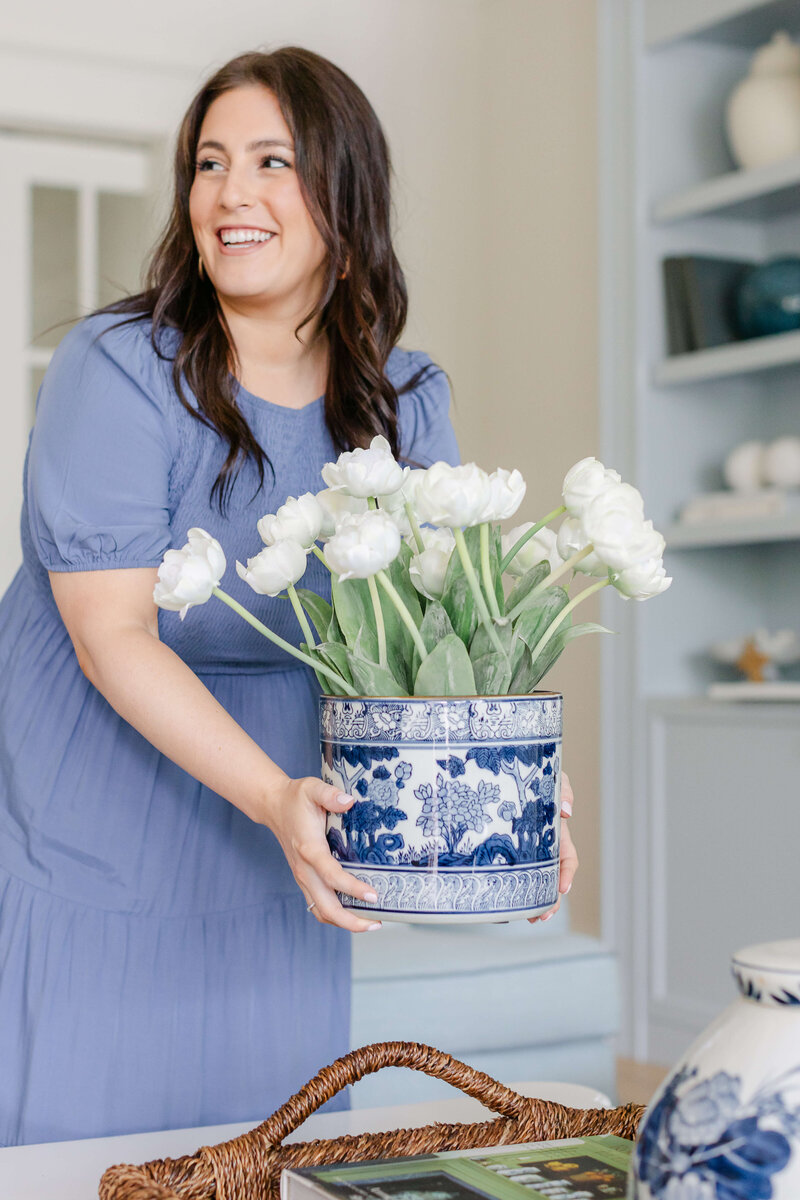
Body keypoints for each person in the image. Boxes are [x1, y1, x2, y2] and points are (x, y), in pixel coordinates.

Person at [0, 47, 577, 1147]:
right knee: (80, 1138)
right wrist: (268, 796)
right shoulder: (119, 368)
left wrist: (524, 799)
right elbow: (111, 634)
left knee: (267, 1137)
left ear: (345, 200)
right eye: (208, 163)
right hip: (97, 799)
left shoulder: (408, 398)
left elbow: (445, 639)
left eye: (272, 160)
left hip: (284, 821)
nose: (229, 193)